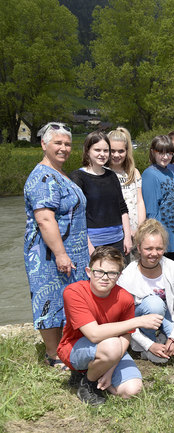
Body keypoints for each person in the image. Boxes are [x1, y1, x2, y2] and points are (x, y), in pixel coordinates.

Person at [57, 246, 162, 405]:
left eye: (112, 273)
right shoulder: (74, 292)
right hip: (74, 347)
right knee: (112, 344)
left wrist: (110, 368)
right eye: (99, 272)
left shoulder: (125, 298)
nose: (104, 277)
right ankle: (88, 383)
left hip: (112, 350)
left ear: (119, 275)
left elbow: (126, 335)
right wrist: (138, 321)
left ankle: (97, 372)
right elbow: (94, 334)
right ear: (88, 272)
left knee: (132, 390)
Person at [24, 122, 90, 369]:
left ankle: (67, 346)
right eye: (58, 143)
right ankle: (53, 355)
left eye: (67, 144)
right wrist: (61, 254)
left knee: (69, 298)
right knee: (50, 298)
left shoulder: (60, 173)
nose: (64, 148)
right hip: (50, 254)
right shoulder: (42, 176)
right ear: (44, 144)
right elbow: (44, 218)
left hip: (72, 250)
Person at [117, 219, 174, 363]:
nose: (154, 253)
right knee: (154, 303)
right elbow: (124, 319)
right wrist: (149, 345)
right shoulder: (128, 275)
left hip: (168, 315)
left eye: (159, 248)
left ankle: (164, 337)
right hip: (140, 320)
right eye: (148, 248)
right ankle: (150, 342)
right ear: (139, 248)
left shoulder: (173, 268)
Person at [70, 131, 131, 256]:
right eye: (97, 150)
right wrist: (88, 245)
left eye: (106, 150)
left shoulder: (112, 175)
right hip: (93, 243)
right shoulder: (78, 177)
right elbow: (75, 216)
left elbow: (122, 208)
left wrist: (128, 237)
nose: (102, 154)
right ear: (87, 151)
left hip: (118, 241)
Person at [141, 135, 174, 260]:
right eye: (161, 153)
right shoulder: (149, 174)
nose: (165, 157)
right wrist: (156, 237)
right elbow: (151, 210)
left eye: (169, 153)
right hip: (163, 235)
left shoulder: (170, 172)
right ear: (153, 152)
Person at [107, 127, 145, 251]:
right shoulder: (104, 173)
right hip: (115, 232)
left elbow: (139, 201)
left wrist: (140, 228)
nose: (116, 155)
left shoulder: (134, 173)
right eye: (112, 151)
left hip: (135, 232)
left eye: (121, 151)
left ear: (126, 151)